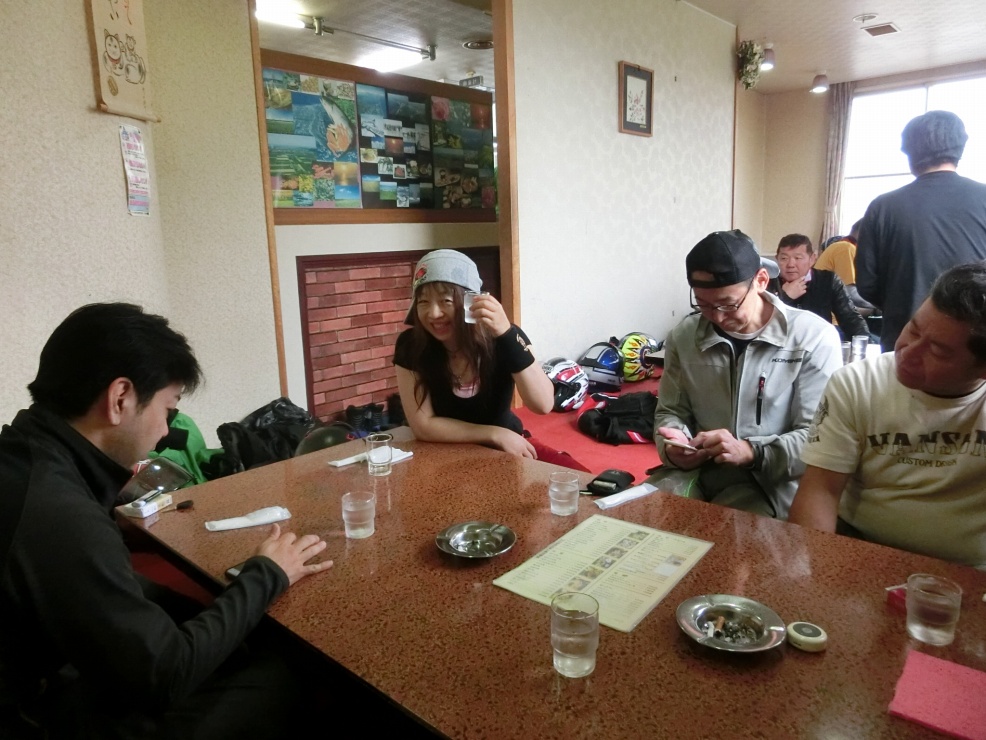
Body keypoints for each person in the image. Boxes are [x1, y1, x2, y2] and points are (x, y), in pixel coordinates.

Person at [0, 303, 332, 738]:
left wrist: (214, 609)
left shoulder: (27, 456)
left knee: (232, 634)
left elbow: (107, 585)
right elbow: (164, 676)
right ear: (120, 398)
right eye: (168, 410)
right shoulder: (59, 514)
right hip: (37, 713)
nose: (164, 432)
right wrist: (266, 575)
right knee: (285, 673)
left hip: (49, 661)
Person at [788, 262, 986, 569]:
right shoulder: (859, 383)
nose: (907, 352)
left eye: (938, 351)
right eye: (913, 329)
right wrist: (819, 575)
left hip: (970, 569)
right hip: (861, 550)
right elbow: (821, 490)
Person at [653, 229, 842, 518]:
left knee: (725, 534)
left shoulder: (812, 337)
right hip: (697, 474)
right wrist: (673, 445)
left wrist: (751, 451)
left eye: (728, 304)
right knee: (636, 520)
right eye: (703, 304)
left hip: (772, 483)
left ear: (761, 281)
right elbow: (670, 411)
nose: (717, 317)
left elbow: (818, 440)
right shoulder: (685, 336)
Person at [393, 249, 588, 470]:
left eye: (446, 300)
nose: (433, 313)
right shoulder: (411, 345)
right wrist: (494, 433)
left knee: (583, 479)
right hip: (443, 451)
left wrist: (506, 335)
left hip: (507, 447)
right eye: (423, 302)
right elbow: (423, 426)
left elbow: (543, 404)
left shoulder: (504, 339)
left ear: (472, 301)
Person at [856, 110, 986, 352]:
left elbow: (867, 284)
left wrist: (901, 301)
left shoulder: (883, 207)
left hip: (905, 341)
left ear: (909, 151)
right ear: (960, 148)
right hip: (975, 347)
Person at [770, 233, 870, 340]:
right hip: (781, 344)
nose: (790, 264)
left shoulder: (828, 280)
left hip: (820, 342)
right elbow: (763, 323)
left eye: (798, 258)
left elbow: (850, 318)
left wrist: (864, 342)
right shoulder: (767, 282)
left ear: (812, 259)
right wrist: (785, 297)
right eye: (784, 258)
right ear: (777, 259)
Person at [814, 220, 877, 315]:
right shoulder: (846, 248)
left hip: (830, 308)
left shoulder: (846, 247)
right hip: (828, 315)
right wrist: (882, 305)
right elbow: (849, 293)